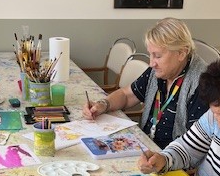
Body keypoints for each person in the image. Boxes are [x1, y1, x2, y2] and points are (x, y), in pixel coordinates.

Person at [83, 17, 208, 149]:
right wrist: (103, 105)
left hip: (171, 156)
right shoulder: (158, 71)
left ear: (182, 53)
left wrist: (164, 157)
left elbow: (196, 144)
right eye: (150, 55)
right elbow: (127, 95)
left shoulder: (202, 83)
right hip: (147, 146)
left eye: (158, 56)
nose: (151, 63)